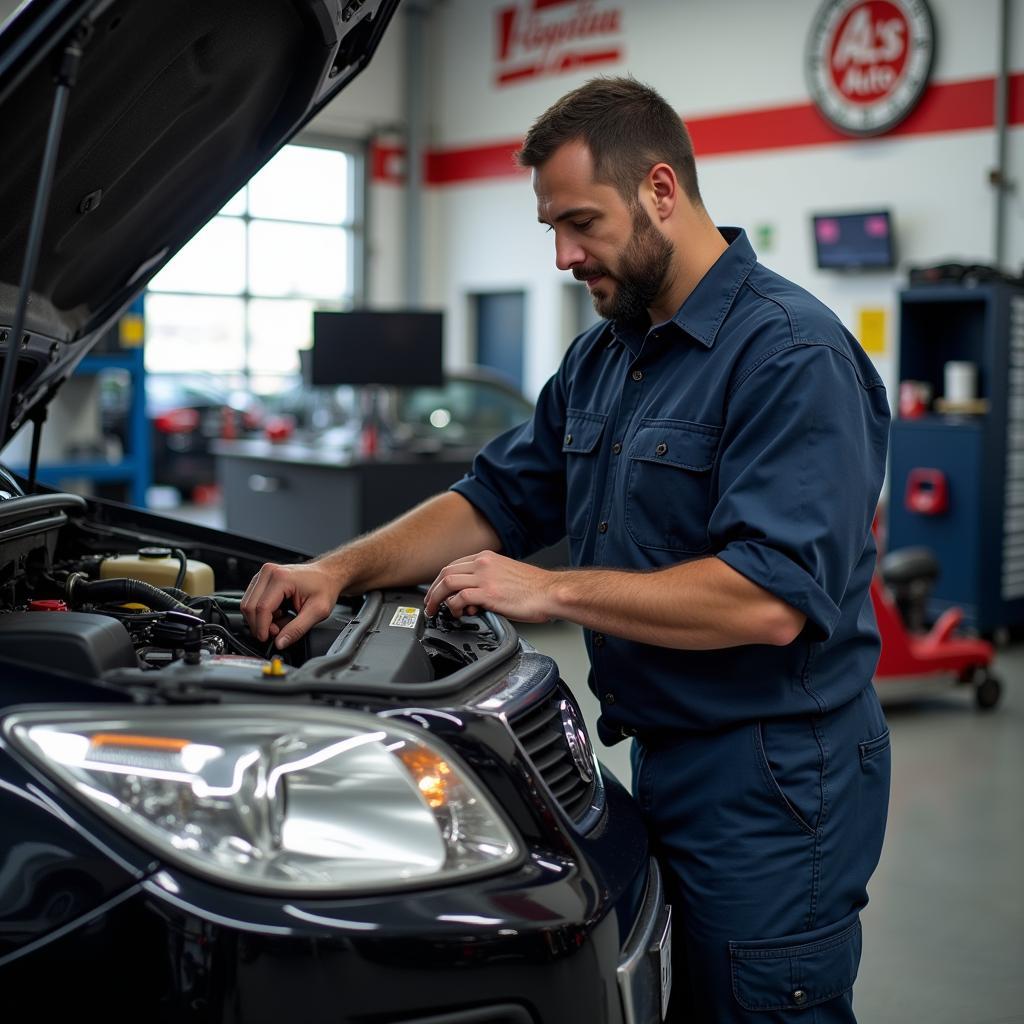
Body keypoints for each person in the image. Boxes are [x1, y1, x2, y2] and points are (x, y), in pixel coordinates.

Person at [242, 76, 891, 1023]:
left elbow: (766, 597)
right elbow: (496, 497)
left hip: (777, 779)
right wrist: (334, 568)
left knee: (758, 1004)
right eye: (551, 226)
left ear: (661, 191)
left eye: (580, 222)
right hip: (664, 754)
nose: (562, 255)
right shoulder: (608, 354)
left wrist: (552, 590)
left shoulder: (792, 356)